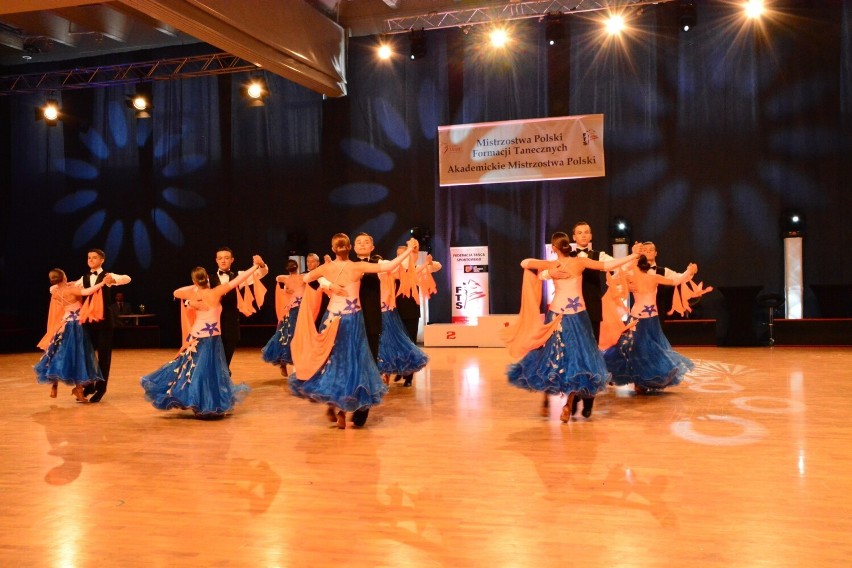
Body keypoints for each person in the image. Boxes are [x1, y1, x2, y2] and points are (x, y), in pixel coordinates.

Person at [289, 234, 418, 428]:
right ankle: (340, 405)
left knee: (340, 363)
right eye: (358, 242)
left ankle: (341, 405)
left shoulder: (332, 266)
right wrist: (408, 250)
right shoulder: (356, 266)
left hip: (342, 318)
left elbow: (306, 278)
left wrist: (327, 282)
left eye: (366, 242)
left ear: (334, 249)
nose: (363, 245)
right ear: (350, 247)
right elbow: (389, 267)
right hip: (350, 320)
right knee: (349, 364)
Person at [505, 233, 638, 421]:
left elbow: (525, 262)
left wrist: (549, 273)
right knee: (578, 358)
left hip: (559, 316)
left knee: (554, 357)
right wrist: (632, 255)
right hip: (575, 316)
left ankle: (564, 404)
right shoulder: (579, 262)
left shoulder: (552, 264)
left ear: (554, 248)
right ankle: (568, 404)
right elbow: (608, 266)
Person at [140, 255, 266, 418]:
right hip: (210, 338)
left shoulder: (192, 293)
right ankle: (204, 404)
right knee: (206, 372)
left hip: (198, 337)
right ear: (207, 278)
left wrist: (191, 298)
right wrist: (255, 267)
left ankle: (200, 402)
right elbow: (239, 279)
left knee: (196, 370)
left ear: (194, 281)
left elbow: (176, 292)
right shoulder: (217, 292)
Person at [602, 249, 698, 393]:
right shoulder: (651, 278)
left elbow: (611, 283)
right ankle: (641, 382)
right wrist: (688, 271)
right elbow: (676, 281)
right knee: (645, 349)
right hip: (644, 319)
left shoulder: (633, 278)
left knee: (636, 349)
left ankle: (642, 382)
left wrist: (627, 269)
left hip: (641, 319)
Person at [35, 268, 105, 403]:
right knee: (79, 356)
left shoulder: (55, 292)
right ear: (63, 277)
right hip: (76, 326)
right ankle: (78, 389)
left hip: (65, 324)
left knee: (59, 353)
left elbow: (53, 287)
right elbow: (87, 291)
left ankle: (55, 385)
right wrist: (102, 283)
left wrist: (67, 284)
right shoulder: (70, 290)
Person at [77, 248, 131, 403]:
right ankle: (89, 385)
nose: (91, 260)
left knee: (104, 357)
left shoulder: (107, 275)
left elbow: (127, 278)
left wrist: (113, 281)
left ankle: (101, 388)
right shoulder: (84, 277)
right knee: (87, 355)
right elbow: (73, 286)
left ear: (102, 260)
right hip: (88, 321)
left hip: (104, 321)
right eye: (89, 257)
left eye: (94, 258)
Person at [387, 246, 442, 386]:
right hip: (396, 310)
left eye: (404, 254)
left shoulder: (417, 268)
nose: (402, 257)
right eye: (399, 254)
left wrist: (429, 263)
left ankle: (409, 376)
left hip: (411, 310)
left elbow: (437, 266)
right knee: (398, 342)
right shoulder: (393, 269)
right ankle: (400, 370)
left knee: (410, 342)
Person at [211, 246, 269, 369]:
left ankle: (224, 374)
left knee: (228, 352)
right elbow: (197, 292)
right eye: (220, 258)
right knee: (214, 353)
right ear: (216, 260)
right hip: (213, 322)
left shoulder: (239, 277)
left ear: (232, 260)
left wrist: (261, 264)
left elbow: (260, 273)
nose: (223, 261)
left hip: (231, 321)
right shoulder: (208, 278)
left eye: (226, 258)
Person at [261, 258, 304, 377]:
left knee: (284, 336)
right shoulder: (302, 278)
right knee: (290, 336)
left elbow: (277, 278)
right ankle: (288, 364)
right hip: (293, 311)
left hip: (293, 311)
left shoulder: (287, 279)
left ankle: (286, 363)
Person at [638, 241, 683, 321]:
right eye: (645, 250)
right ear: (640, 254)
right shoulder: (636, 271)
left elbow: (678, 277)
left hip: (659, 313)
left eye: (651, 249)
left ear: (655, 253)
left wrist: (690, 272)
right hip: (639, 312)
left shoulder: (664, 271)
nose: (648, 251)